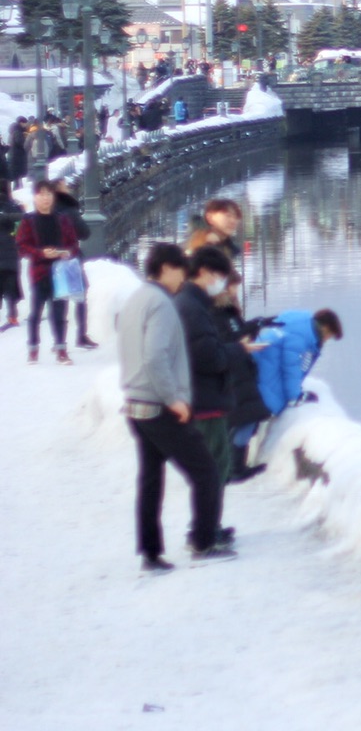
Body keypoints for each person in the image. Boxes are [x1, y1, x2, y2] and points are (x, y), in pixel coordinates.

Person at [118, 242, 233, 573]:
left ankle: (150, 553)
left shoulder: (135, 300)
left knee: (151, 479)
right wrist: (174, 399)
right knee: (207, 470)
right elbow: (155, 356)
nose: (184, 277)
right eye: (181, 269)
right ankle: (203, 541)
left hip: (135, 403)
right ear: (167, 268)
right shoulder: (161, 304)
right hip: (159, 405)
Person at [174, 246, 243, 491]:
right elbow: (208, 357)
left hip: (201, 396)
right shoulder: (193, 308)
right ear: (204, 272)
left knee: (213, 468)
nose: (222, 284)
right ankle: (208, 527)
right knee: (216, 466)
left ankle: (211, 526)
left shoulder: (189, 302)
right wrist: (238, 350)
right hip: (204, 399)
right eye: (220, 276)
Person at [15, 180, 82, 364]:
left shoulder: (62, 219)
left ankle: (61, 348)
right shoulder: (29, 220)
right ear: (35, 197)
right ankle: (33, 348)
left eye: (49, 194)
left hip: (60, 272)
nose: (45, 198)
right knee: (36, 312)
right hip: (39, 272)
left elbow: (73, 244)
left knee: (59, 312)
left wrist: (66, 252)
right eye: (42, 194)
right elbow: (22, 246)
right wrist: (40, 252)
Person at [253, 307, 343, 417]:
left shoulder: (302, 322)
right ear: (325, 328)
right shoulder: (302, 337)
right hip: (262, 388)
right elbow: (291, 367)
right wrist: (295, 397)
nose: (327, 339)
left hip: (254, 370)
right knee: (249, 426)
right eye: (330, 335)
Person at [50, 179, 97, 350]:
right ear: (60, 190)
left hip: (52, 259)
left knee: (58, 300)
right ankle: (81, 336)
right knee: (80, 296)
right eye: (65, 186)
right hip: (70, 258)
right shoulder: (69, 210)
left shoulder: (48, 210)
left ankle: (59, 340)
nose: (69, 188)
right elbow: (84, 233)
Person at [0, 198, 20, 332]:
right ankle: (12, 316)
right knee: (10, 288)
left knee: (8, 287)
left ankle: (12, 316)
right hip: (11, 256)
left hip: (8, 256)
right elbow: (21, 216)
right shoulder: (12, 206)